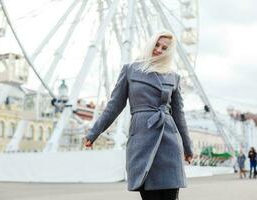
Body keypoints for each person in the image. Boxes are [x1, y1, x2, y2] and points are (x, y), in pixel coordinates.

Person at [83, 30, 193, 200]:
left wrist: (188, 147)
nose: (158, 50)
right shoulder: (130, 70)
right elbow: (114, 106)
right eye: (157, 44)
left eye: (164, 48)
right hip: (142, 139)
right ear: (150, 43)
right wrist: (93, 133)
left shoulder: (174, 77)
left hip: (168, 141)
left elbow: (179, 115)